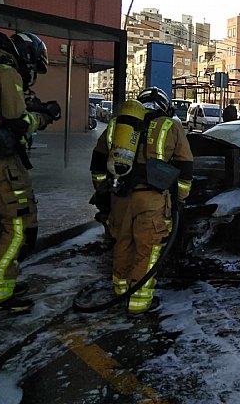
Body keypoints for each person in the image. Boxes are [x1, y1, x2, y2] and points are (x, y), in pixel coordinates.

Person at [90, 87, 193, 315]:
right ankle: (138, 302)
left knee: (123, 242)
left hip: (121, 196)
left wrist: (103, 193)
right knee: (148, 248)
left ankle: (120, 290)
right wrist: (180, 200)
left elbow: (97, 163)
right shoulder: (170, 125)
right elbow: (185, 167)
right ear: (164, 106)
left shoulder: (118, 126)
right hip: (152, 199)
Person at [0, 31, 60, 313]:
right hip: (1, 165)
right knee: (18, 227)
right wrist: (42, 116)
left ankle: (1, 281)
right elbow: (18, 123)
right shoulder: (7, 73)